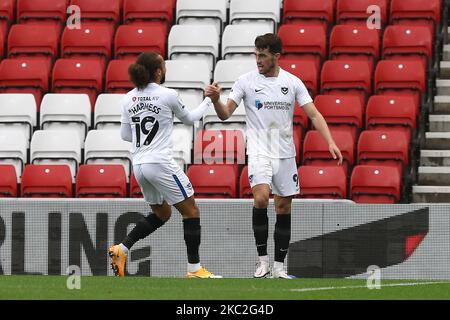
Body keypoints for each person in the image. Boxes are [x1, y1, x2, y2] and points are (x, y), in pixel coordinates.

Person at [205, 34, 343, 279]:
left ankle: (279, 267)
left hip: (285, 154)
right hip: (259, 152)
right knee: (260, 198)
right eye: (256, 54)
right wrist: (216, 100)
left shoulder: (292, 82)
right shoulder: (245, 81)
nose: (258, 60)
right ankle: (262, 262)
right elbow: (225, 114)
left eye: (263, 56)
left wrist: (330, 141)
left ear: (276, 57)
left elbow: (313, 114)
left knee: (283, 207)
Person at [108, 51, 221, 279]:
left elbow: (125, 135)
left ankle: (123, 248)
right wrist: (210, 100)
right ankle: (194, 269)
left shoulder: (128, 98)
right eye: (163, 65)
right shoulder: (168, 94)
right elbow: (190, 119)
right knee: (191, 211)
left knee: (163, 213)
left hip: (139, 165)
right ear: (158, 71)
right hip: (159, 162)